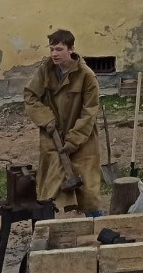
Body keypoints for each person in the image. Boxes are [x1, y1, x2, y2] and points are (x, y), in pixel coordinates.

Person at [24, 29, 102, 215]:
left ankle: (96, 223)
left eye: (59, 49)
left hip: (82, 139)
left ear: (71, 49)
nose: (54, 54)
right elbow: (30, 96)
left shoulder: (86, 76)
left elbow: (89, 111)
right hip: (53, 136)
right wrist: (46, 119)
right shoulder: (46, 70)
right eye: (51, 49)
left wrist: (74, 140)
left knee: (88, 190)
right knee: (50, 186)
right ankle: (47, 224)